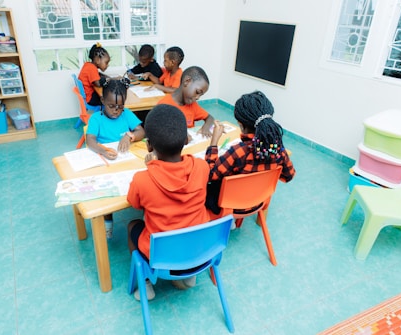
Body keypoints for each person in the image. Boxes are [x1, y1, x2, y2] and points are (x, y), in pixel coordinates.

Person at [127, 104, 210, 300]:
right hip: (199, 249)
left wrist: (151, 168)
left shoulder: (142, 179)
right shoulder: (202, 166)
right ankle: (190, 276)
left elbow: (134, 204)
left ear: (149, 146)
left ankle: (145, 283)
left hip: (162, 256)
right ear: (186, 140)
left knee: (132, 226)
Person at [205, 91, 296, 217]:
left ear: (241, 125)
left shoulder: (239, 151)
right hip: (259, 201)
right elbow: (289, 176)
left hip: (229, 206)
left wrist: (214, 142)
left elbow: (210, 175)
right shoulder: (278, 149)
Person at [86, 78, 145, 238]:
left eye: (120, 107)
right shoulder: (96, 119)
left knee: (142, 181)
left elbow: (141, 131)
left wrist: (129, 136)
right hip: (107, 161)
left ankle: (146, 214)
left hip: (127, 161)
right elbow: (89, 140)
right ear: (103, 100)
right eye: (111, 106)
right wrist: (103, 150)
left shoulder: (127, 115)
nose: (116, 111)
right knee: (108, 191)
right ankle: (107, 221)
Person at [157, 66, 215, 138]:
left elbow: (210, 118)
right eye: (197, 92)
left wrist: (205, 128)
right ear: (187, 81)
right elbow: (159, 134)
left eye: (201, 95)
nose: (197, 97)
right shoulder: (164, 105)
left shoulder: (192, 105)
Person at [78, 43, 110, 108]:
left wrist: (106, 77)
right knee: (111, 99)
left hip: (87, 96)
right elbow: (97, 83)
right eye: (106, 62)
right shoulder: (92, 68)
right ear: (98, 60)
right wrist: (109, 80)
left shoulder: (88, 65)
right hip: (90, 98)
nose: (107, 65)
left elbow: (98, 75)